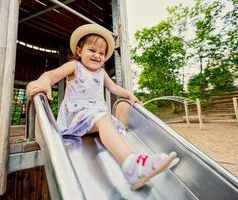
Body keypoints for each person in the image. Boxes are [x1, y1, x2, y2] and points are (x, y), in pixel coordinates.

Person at [26, 24, 179, 190]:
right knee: (104, 119)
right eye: (92, 50)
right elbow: (52, 75)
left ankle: (140, 160)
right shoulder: (74, 67)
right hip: (77, 117)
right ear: (79, 51)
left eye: (101, 53)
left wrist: (128, 94)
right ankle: (130, 167)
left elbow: (113, 88)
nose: (97, 56)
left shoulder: (101, 73)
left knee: (117, 131)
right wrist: (43, 81)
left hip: (95, 117)